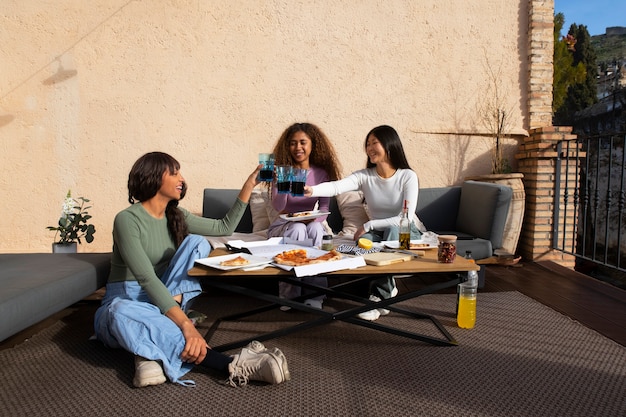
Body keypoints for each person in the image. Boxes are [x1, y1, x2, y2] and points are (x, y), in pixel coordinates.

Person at [94, 151, 290, 388]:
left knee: (196, 242)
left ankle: (151, 351)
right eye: (175, 172)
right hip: (127, 300)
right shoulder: (127, 219)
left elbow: (224, 226)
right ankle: (230, 364)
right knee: (119, 312)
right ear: (153, 177)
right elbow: (146, 278)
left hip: (166, 299)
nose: (182, 179)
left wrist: (249, 185)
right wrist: (186, 325)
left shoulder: (176, 215)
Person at [304, 125, 425, 321]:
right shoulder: (365, 176)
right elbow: (337, 186)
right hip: (380, 232)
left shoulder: (407, 176)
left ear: (389, 144)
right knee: (364, 243)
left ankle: (378, 297)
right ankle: (388, 287)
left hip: (406, 231)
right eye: (367, 144)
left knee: (393, 232)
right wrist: (312, 190)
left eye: (374, 143)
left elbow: (406, 218)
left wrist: (369, 225)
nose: (369, 148)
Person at [267, 122, 341, 310]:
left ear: (312, 145)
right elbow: (278, 206)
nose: (297, 147)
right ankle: (289, 295)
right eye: (292, 143)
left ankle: (315, 294)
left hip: (309, 224)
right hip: (282, 226)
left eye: (302, 142)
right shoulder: (282, 171)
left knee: (316, 228)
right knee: (298, 228)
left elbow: (324, 207)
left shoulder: (321, 173)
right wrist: (282, 182)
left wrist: (313, 220)